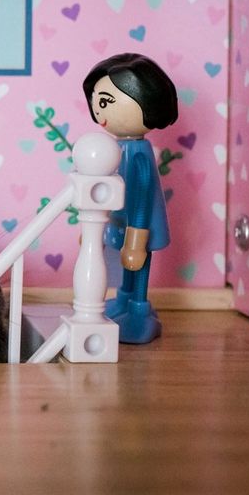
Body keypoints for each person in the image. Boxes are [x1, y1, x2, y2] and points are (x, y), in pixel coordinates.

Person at [82, 53, 178, 343]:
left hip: (140, 221)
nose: (99, 110)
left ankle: (139, 307)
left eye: (107, 101)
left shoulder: (138, 153)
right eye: (97, 100)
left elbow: (142, 194)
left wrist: (137, 236)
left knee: (139, 262)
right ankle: (124, 299)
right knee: (125, 264)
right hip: (123, 220)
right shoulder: (115, 147)